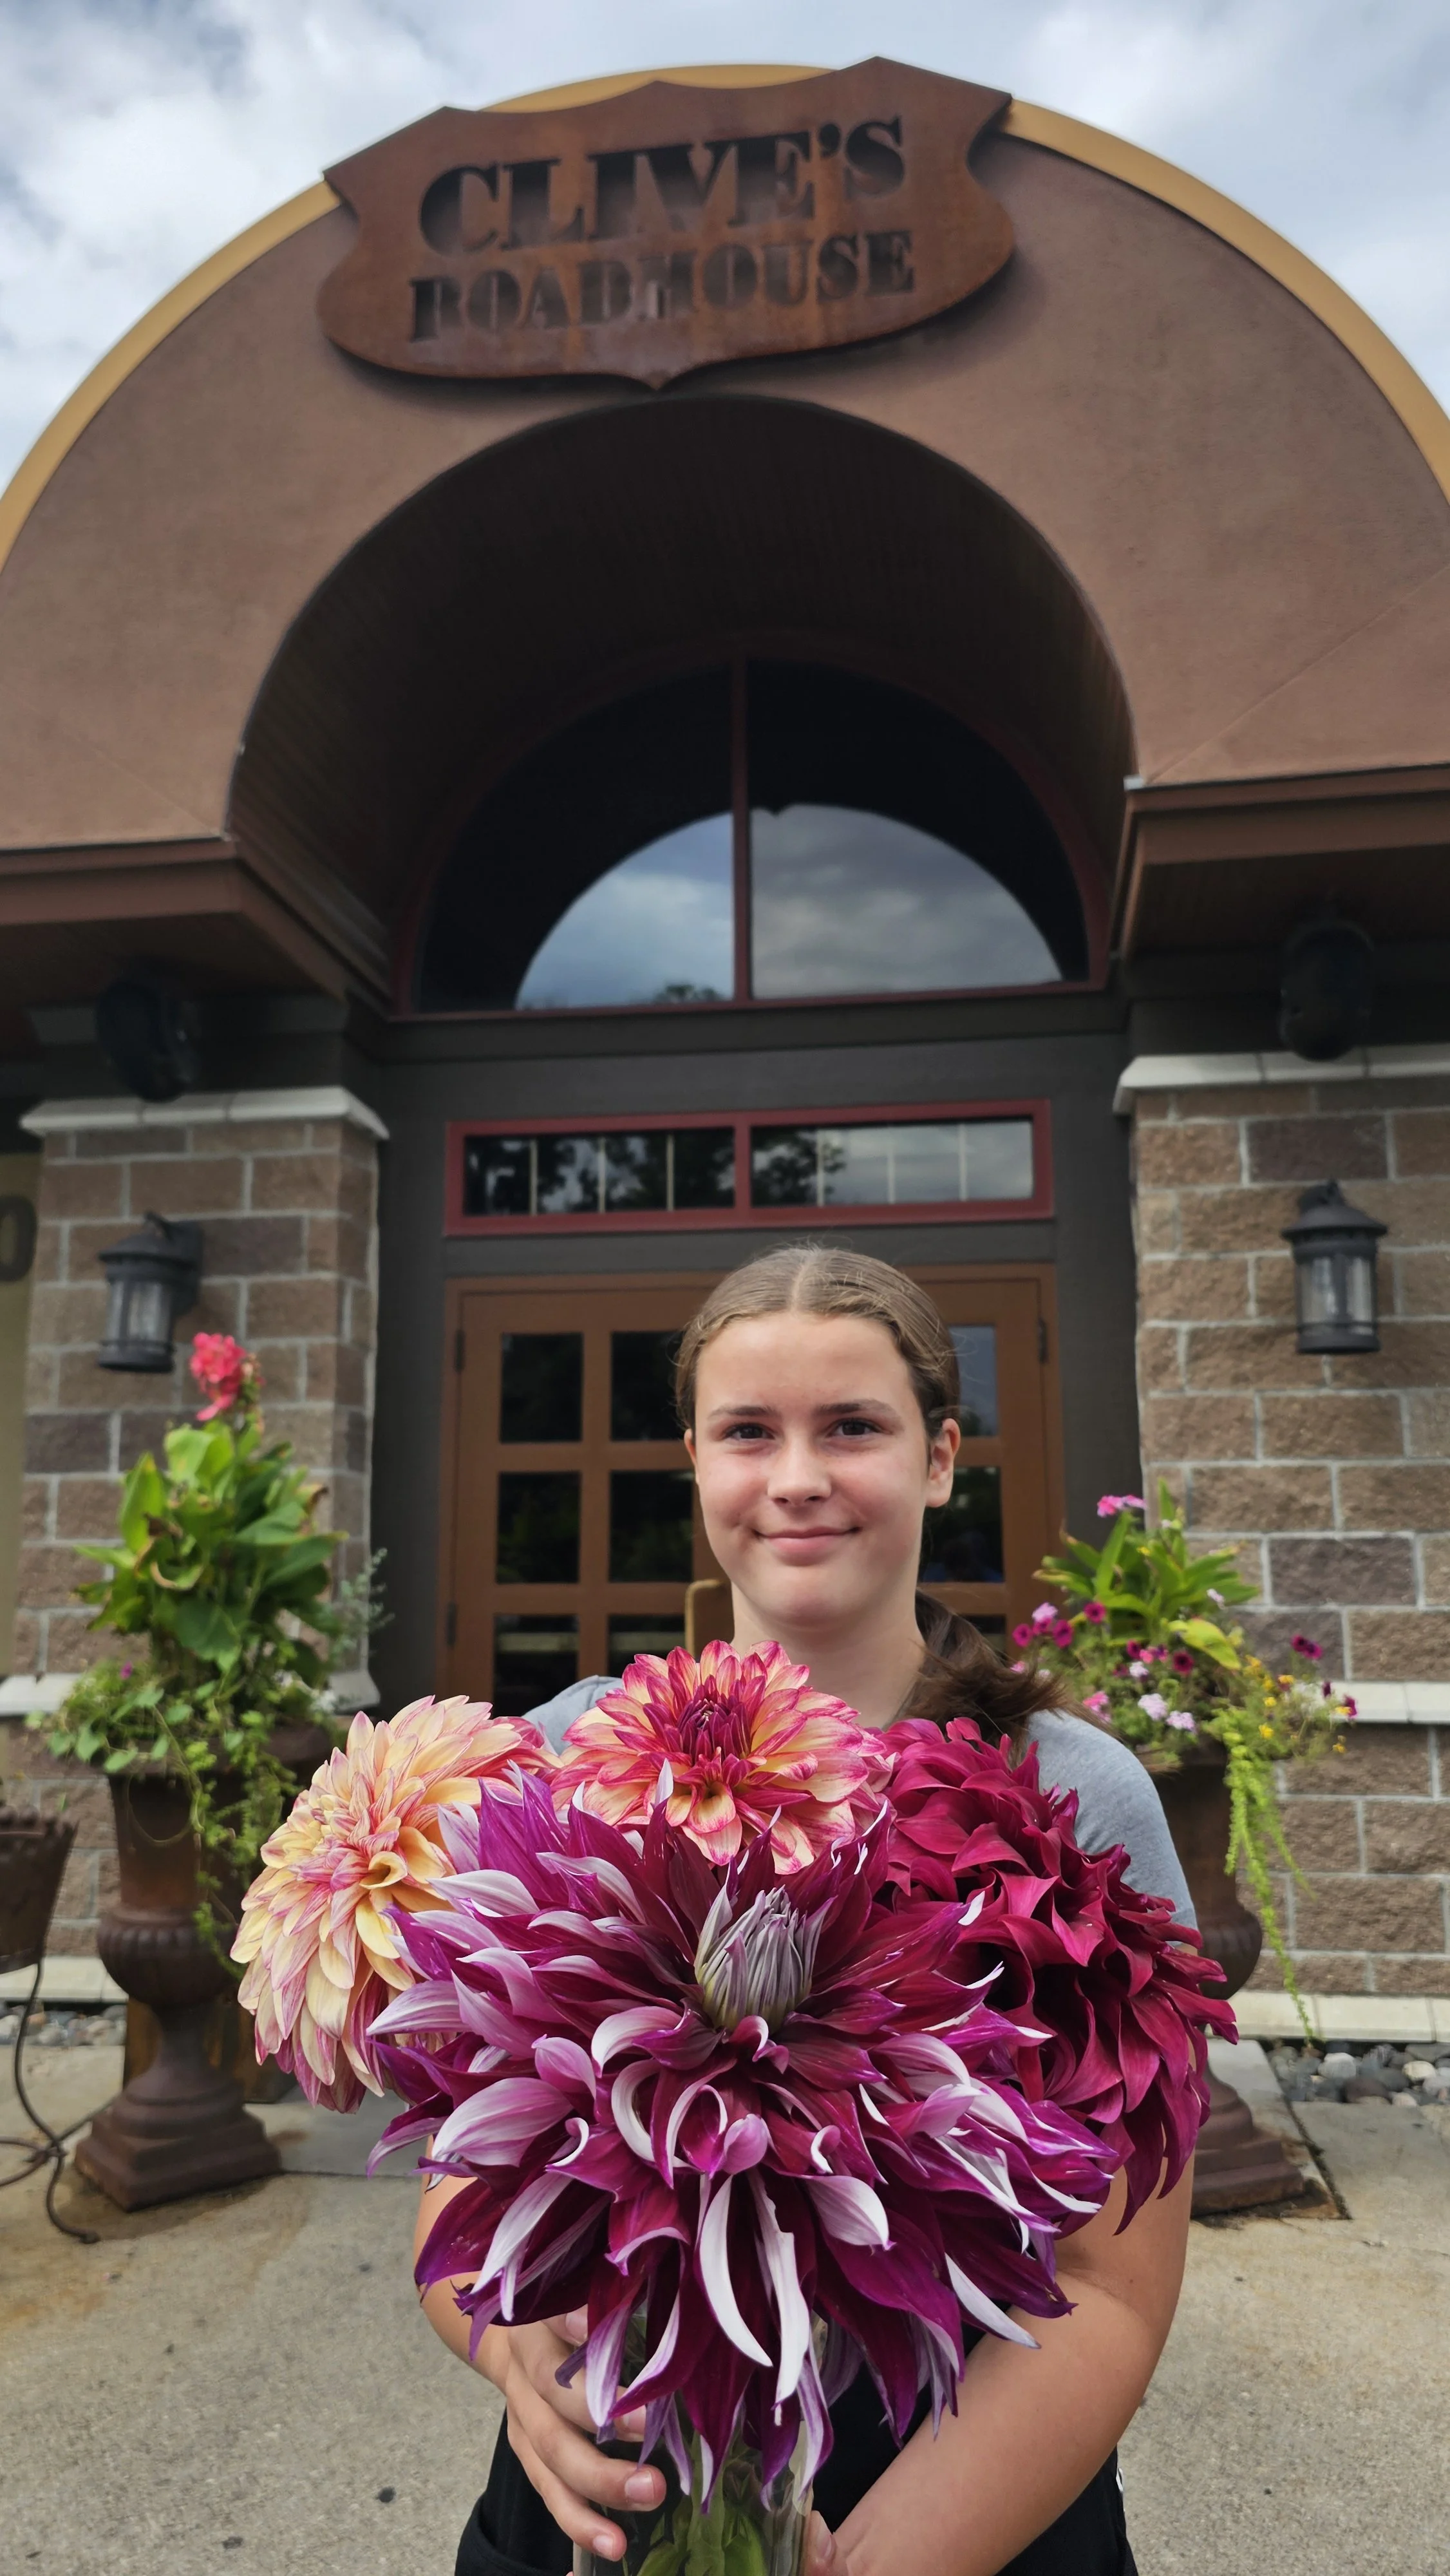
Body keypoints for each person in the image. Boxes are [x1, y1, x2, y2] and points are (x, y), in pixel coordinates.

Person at [420, 1245, 1196, 2576]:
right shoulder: (556, 1753)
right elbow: (458, 2160)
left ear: (942, 1455)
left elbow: (1117, 2276)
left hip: (975, 2485)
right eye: (746, 1431)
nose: (796, 1477)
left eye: (852, 1426)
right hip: (621, 2487)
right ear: (694, 1458)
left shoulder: (1076, 1790)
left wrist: (892, 2550)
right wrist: (510, 2354)